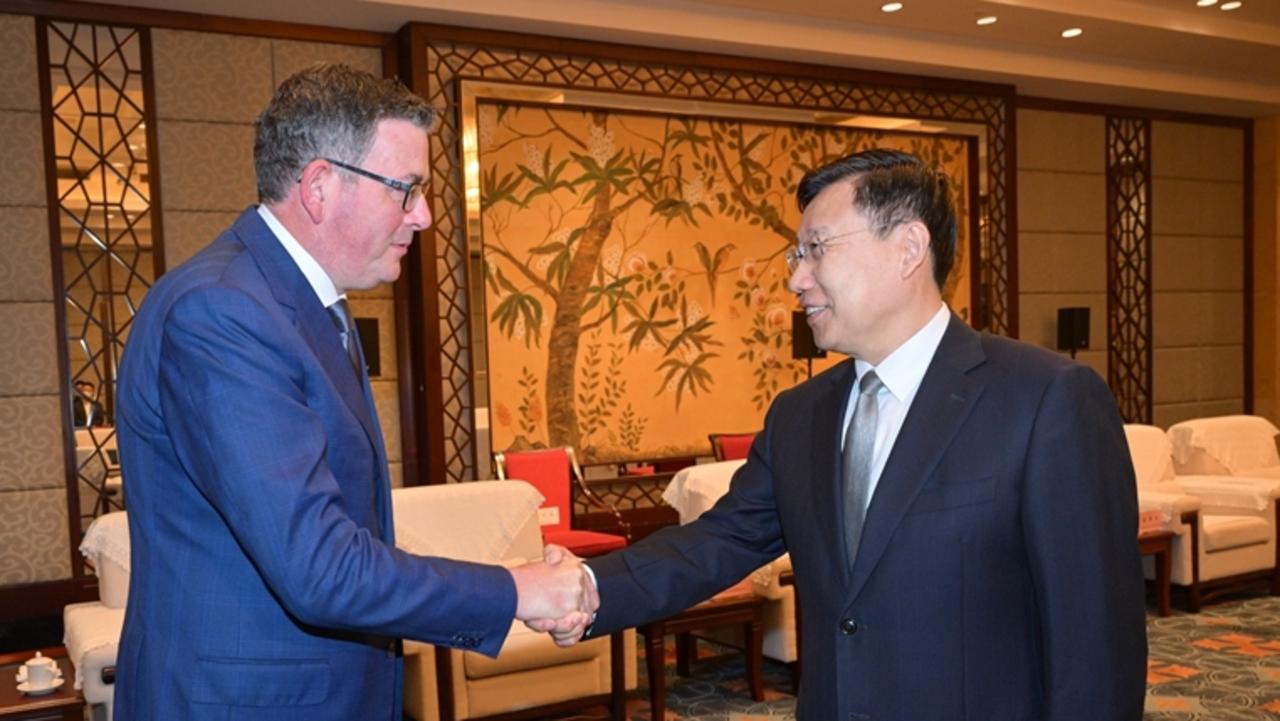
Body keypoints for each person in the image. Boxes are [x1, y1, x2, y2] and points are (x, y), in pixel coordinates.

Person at [556, 149, 1148, 719]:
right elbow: (716, 544)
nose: (797, 281)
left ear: (908, 248)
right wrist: (583, 586)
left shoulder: (1045, 398)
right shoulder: (800, 415)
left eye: (816, 250)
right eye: (797, 257)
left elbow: (1095, 642)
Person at [114, 64, 592, 720]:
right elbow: (319, 567)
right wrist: (519, 590)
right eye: (407, 189)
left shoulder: (300, 306)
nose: (422, 215)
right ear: (319, 187)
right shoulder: (223, 312)